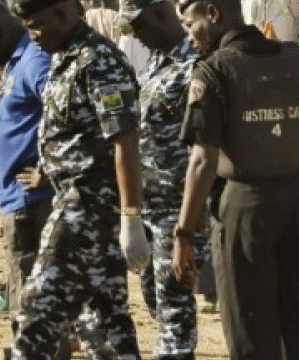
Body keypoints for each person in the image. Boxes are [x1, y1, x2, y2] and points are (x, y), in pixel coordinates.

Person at [172, 0, 299, 358]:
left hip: (246, 210)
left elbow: (203, 161)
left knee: (250, 330)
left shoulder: (214, 71)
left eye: (190, 25)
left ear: (213, 14)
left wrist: (183, 233)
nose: (190, 38)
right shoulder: (297, 60)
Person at [9, 0, 145, 358]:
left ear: (64, 14)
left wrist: (131, 218)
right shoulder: (65, 55)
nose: (33, 36)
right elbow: (77, 135)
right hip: (74, 194)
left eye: (37, 26)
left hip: (88, 204)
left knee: (38, 307)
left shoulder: (98, 61)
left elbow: (125, 141)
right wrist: (51, 168)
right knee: (103, 319)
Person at [0, 2, 73, 359]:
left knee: (32, 291)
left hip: (33, 201)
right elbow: (6, 122)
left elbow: (67, 113)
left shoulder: (36, 61)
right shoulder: (16, 63)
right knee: (22, 286)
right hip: (14, 196)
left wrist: (49, 166)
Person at [120, 0, 205, 358]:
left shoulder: (197, 66)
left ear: (158, 14)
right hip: (149, 207)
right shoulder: (155, 62)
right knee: (155, 301)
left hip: (178, 210)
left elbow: (206, 147)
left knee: (175, 309)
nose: (136, 37)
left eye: (138, 27)